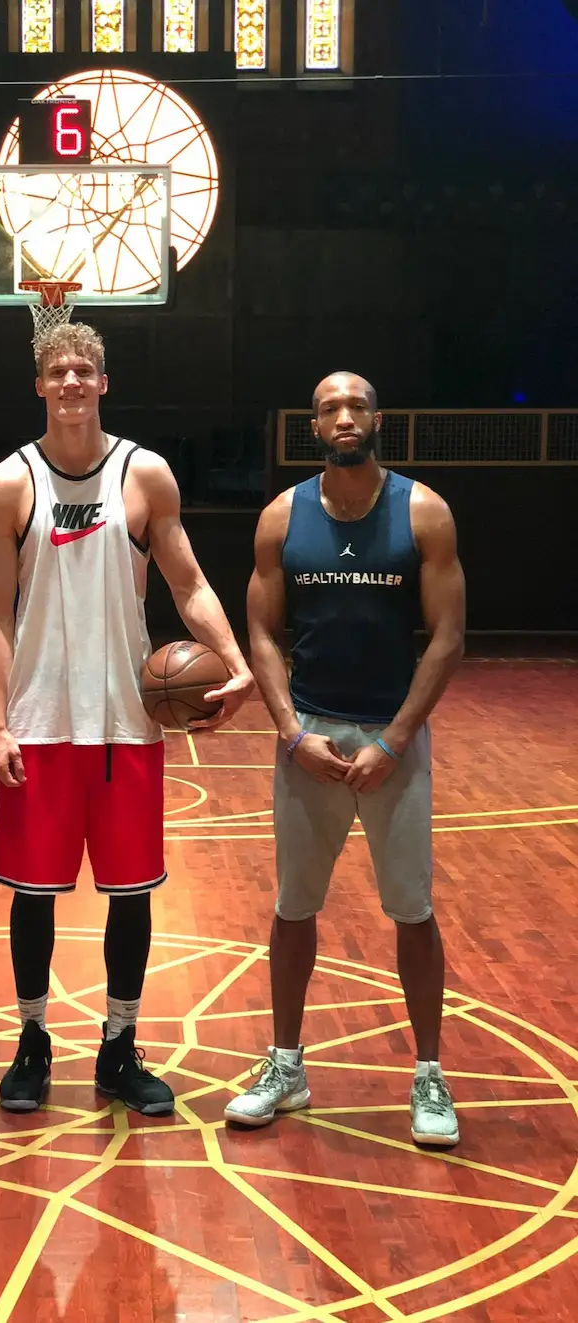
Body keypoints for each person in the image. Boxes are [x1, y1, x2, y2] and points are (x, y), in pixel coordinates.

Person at [0, 321, 254, 1115]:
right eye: (57, 371)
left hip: (128, 721)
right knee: (33, 894)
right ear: (38, 386)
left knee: (131, 894)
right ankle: (32, 1041)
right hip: (41, 717)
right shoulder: (10, 484)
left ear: (104, 382)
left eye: (83, 370)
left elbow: (190, 582)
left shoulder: (145, 474)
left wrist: (234, 662)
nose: (70, 382)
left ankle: (119, 1046)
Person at [225, 372, 465, 1146]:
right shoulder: (281, 517)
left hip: (394, 739)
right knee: (295, 906)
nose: (344, 417)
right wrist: (292, 731)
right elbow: (260, 632)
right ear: (315, 424)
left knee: (412, 911)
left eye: (356, 405)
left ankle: (429, 1074)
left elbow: (448, 636)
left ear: (376, 418)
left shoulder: (422, 510)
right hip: (312, 737)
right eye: (330, 407)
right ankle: (286, 1064)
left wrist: (397, 739)